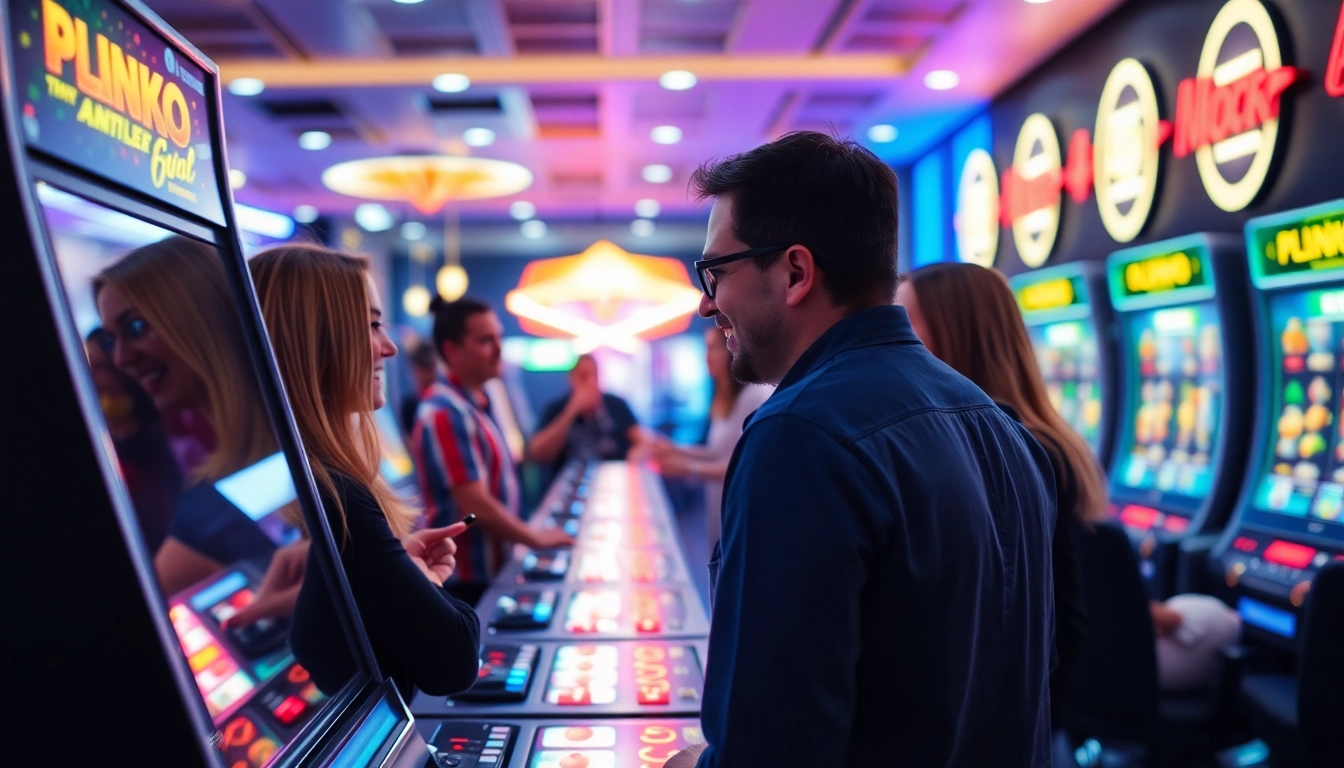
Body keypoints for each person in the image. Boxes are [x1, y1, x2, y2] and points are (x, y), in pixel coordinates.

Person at [665, 131, 1058, 768]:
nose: (708, 302)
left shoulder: (798, 434)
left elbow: (769, 749)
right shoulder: (997, 423)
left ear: (795, 272)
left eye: (716, 271)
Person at [900, 263, 1240, 699]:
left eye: (907, 322)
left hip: (1063, 686)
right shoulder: (1038, 440)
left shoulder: (1005, 448)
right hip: (1076, 673)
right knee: (1215, 620)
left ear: (957, 333)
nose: (896, 339)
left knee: (1213, 618)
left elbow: (1061, 613)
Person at [248, 244, 479, 698]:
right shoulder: (337, 493)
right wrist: (427, 590)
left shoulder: (311, 477)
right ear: (318, 339)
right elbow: (454, 663)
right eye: (372, 325)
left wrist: (402, 576)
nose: (389, 348)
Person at [897, 261, 1101, 732]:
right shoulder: (1013, 439)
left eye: (905, 324)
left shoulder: (1019, 449)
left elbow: (1062, 623)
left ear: (957, 334)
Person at [94, 237, 282, 594]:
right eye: (110, 339)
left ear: (201, 318)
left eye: (135, 328)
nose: (120, 359)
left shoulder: (213, 511)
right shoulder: (206, 491)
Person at [414, 297, 573, 604]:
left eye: (498, 338)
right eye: (486, 340)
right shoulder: (445, 412)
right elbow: (474, 505)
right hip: (464, 584)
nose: (499, 349)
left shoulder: (476, 403)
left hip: (490, 574)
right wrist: (534, 537)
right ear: (451, 350)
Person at [652, 327, 773, 548]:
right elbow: (717, 452)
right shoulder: (723, 396)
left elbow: (744, 466)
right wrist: (674, 449)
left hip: (741, 506)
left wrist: (687, 467)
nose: (706, 356)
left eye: (712, 348)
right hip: (718, 500)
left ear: (731, 350)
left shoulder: (754, 395)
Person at [526, 354, 645, 472]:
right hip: (571, 485)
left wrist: (639, 451)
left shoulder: (616, 404)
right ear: (571, 379)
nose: (590, 382)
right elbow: (536, 454)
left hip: (615, 478)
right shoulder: (556, 408)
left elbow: (643, 440)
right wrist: (571, 411)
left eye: (594, 376)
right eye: (584, 376)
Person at [399, 340, 440, 437]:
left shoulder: (446, 399)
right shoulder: (410, 404)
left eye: (431, 367)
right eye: (424, 368)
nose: (429, 373)